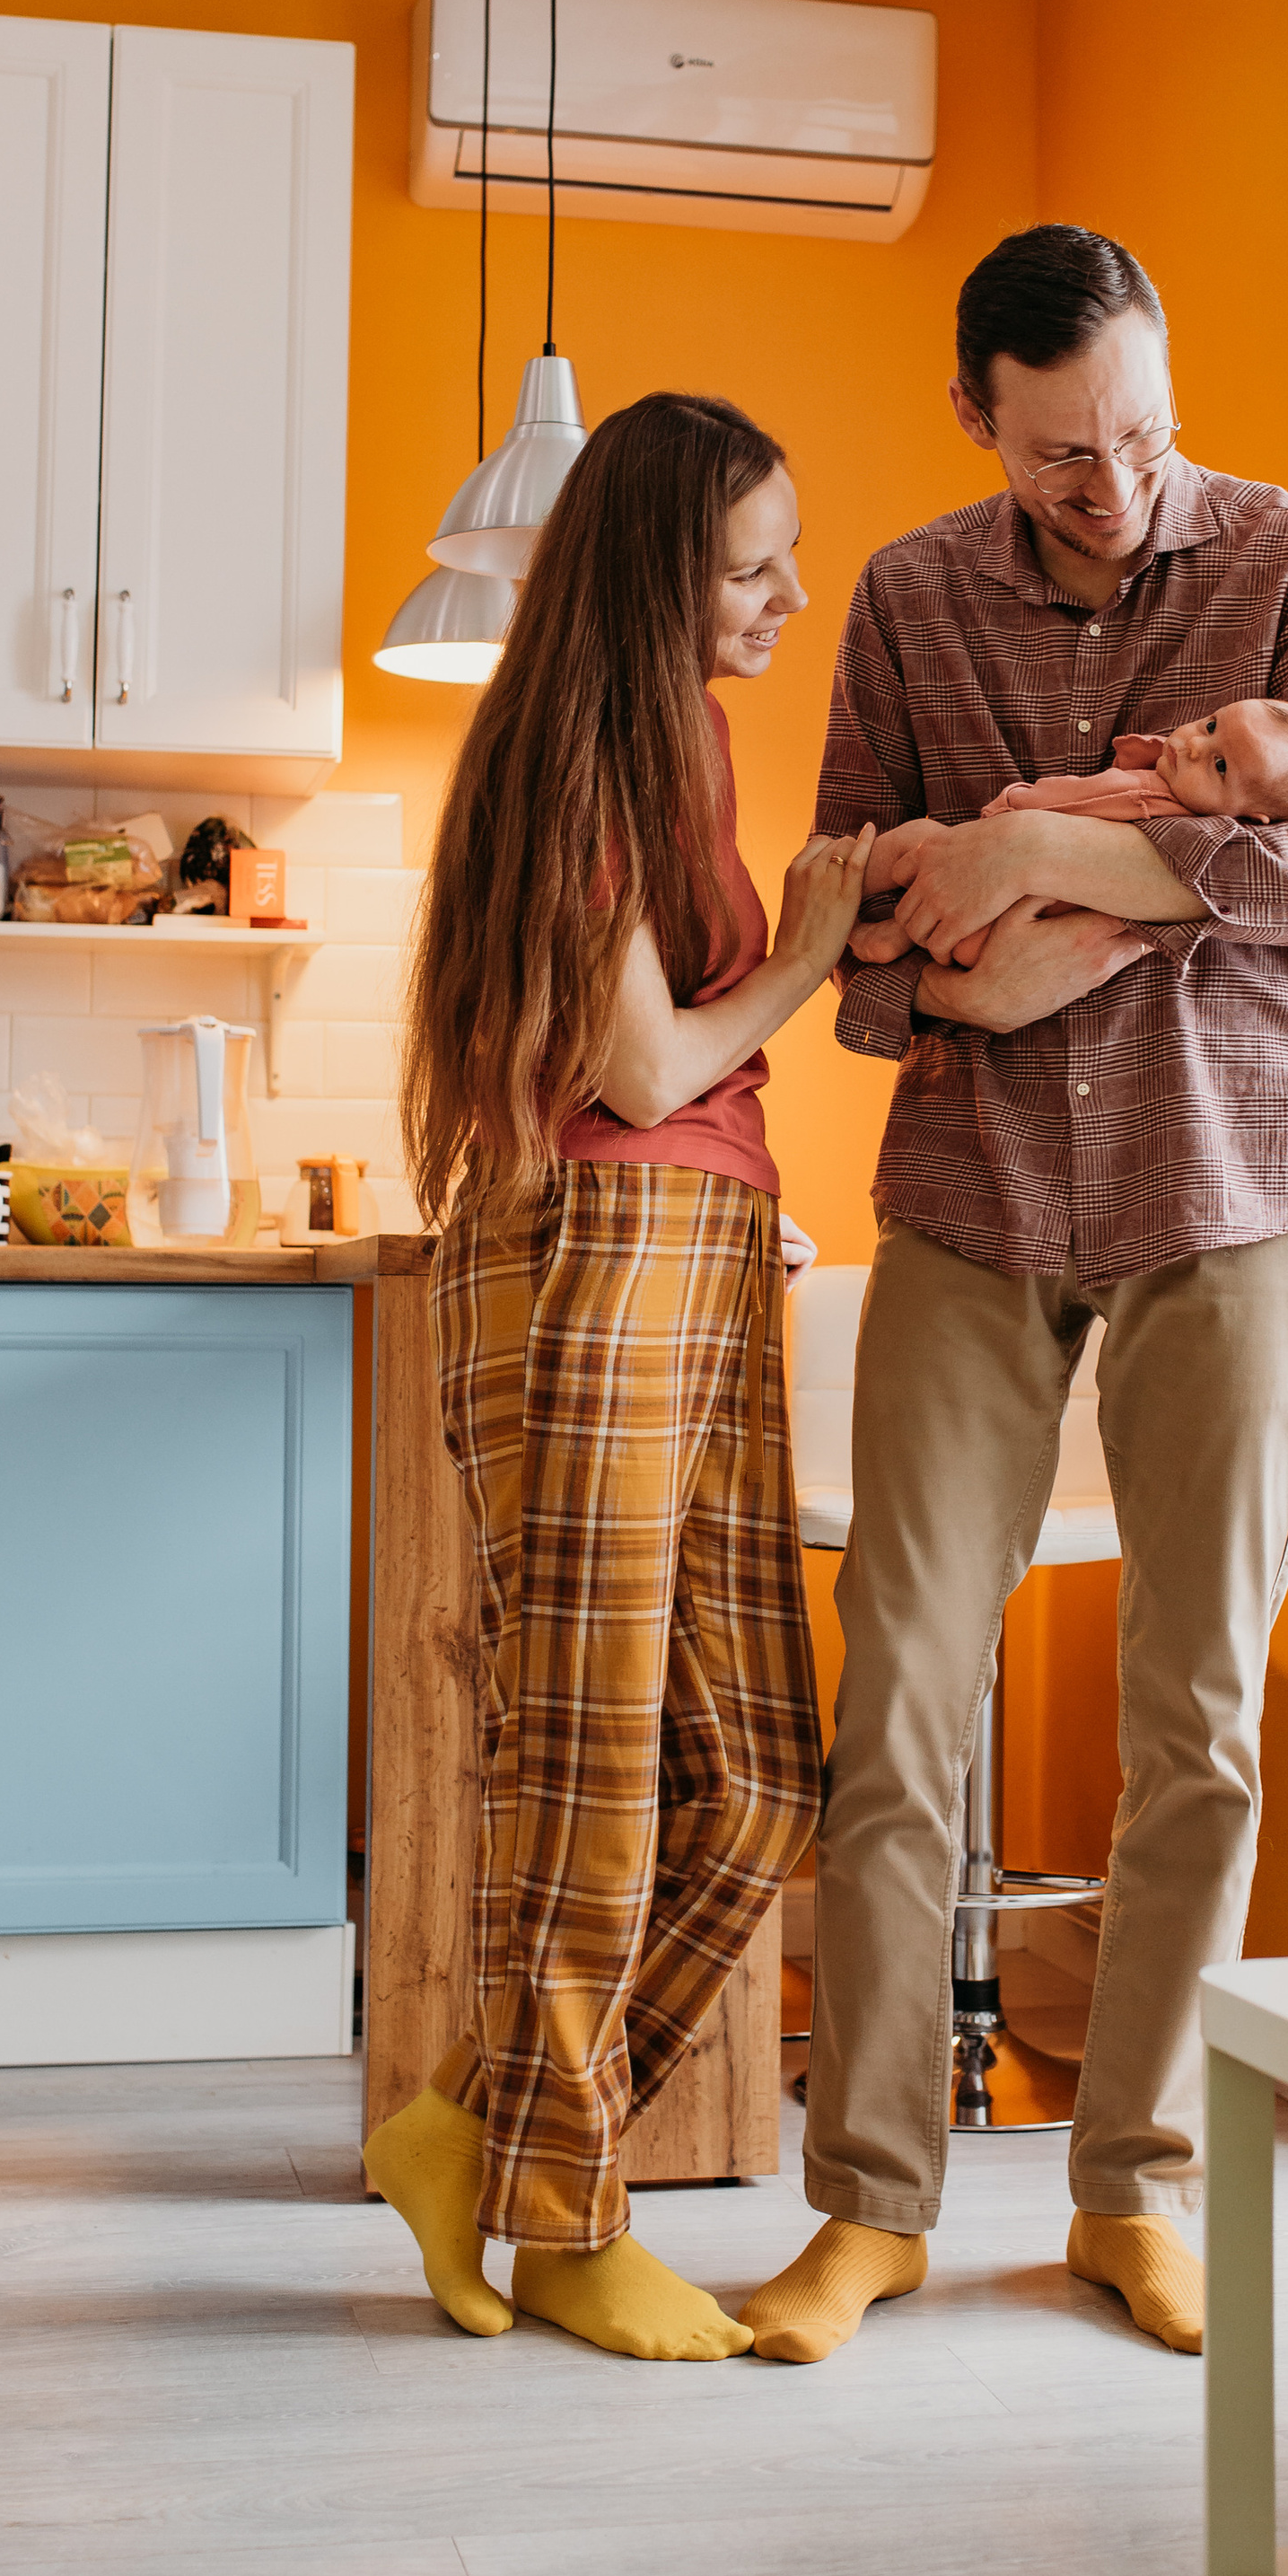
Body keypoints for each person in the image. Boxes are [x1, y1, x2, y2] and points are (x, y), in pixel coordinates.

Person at [738, 225, 1288, 2367]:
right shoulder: (906, 594)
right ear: (978, 421)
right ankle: (865, 2203)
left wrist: (1067, 871)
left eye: (1133, 430)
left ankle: (1130, 2190)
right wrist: (958, 962)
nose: (1111, 484)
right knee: (897, 1709)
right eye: (1057, 453)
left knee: (1189, 1718)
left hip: (1227, 1190)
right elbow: (847, 949)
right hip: (968, 1190)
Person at [369, 390, 876, 2363]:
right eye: (750, 568)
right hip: (596, 1251)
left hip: (701, 1251)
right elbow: (642, 1071)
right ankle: (563, 2219)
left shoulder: (680, 735)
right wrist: (814, 948)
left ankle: (473, 2135)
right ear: (661, 576)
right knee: (582, 1772)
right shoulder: (582, 746)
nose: (785, 598)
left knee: (755, 1784)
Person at [848, 698, 1288, 968]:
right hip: (1005, 923)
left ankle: (853, 894)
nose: (1195, 745)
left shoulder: (1157, 808)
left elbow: (1075, 807)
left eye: (1220, 766)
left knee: (917, 839)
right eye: (1213, 725)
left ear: (1252, 817)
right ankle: (870, 916)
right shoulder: (1173, 790)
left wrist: (1013, 811)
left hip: (1000, 925)